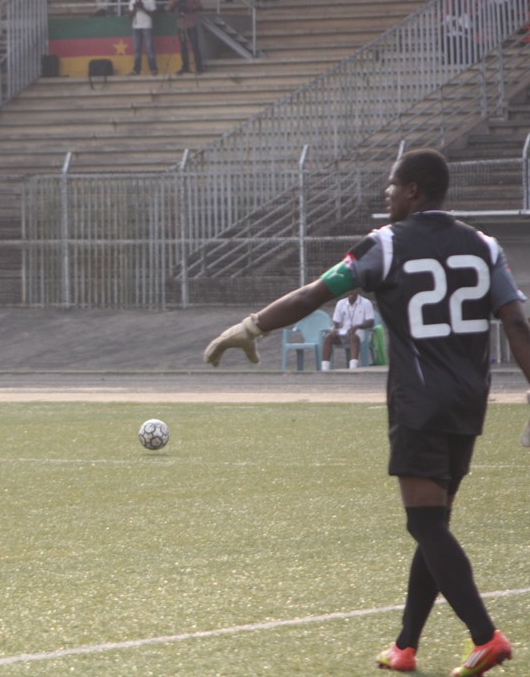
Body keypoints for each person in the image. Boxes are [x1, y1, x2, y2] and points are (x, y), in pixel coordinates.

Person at [203, 148, 529, 677]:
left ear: (414, 190)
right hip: (470, 401)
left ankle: (485, 636)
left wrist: (252, 327)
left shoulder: (386, 244)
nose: (387, 194)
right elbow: (516, 323)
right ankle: (405, 646)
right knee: (434, 523)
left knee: (425, 522)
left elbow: (314, 293)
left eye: (392, 186)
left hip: (419, 401)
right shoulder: (485, 246)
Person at [321, 288, 375, 370]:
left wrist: (357, 326)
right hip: (345, 332)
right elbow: (336, 323)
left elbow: (371, 322)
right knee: (328, 337)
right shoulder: (341, 303)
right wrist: (334, 329)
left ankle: (353, 367)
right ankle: (325, 368)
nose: (350, 292)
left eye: (353, 290)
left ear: (358, 290)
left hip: (361, 333)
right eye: (348, 290)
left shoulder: (366, 303)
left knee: (353, 337)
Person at [165, 0, 204, 74]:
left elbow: (200, 7)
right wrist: (174, 4)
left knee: (195, 46)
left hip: (191, 23)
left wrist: (190, 9)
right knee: (183, 47)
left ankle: (199, 67)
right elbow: (169, 9)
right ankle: (185, 67)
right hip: (181, 24)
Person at [128, 0, 158, 76]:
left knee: (149, 48)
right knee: (137, 49)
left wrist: (143, 8)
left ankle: (153, 69)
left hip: (147, 26)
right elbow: (130, 16)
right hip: (136, 27)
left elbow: (154, 14)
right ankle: (136, 70)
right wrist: (135, 8)